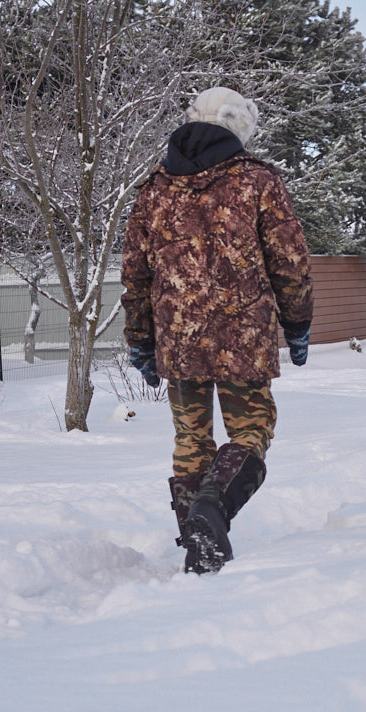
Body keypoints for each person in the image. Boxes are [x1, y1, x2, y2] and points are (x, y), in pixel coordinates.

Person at [121, 86, 313, 575]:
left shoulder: (155, 188)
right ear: (240, 128)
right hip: (243, 337)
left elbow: (136, 273)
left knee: (191, 439)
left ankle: (198, 547)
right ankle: (213, 511)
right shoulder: (258, 181)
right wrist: (298, 323)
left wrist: (141, 338)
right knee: (251, 429)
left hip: (179, 338)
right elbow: (289, 262)